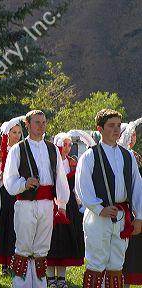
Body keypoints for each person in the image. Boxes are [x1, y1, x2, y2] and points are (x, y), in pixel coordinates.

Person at [75, 109, 142, 288]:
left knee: (116, 265)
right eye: (111, 126)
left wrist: (139, 216)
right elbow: (82, 187)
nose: (116, 129)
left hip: (122, 216)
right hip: (98, 217)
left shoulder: (128, 156)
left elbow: (137, 187)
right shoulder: (90, 155)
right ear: (100, 128)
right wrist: (100, 209)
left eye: (118, 125)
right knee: (97, 264)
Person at [3, 110, 70, 288]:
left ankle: (40, 285)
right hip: (25, 203)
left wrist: (61, 204)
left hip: (47, 204)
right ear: (27, 124)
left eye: (43, 122)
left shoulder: (52, 148)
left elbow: (60, 177)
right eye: (37, 122)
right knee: (24, 248)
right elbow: (9, 180)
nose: (41, 126)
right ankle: (21, 284)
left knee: (41, 249)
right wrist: (24, 184)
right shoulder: (18, 149)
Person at [47, 132, 85, 288]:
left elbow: (76, 186)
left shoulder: (72, 163)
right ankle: (50, 277)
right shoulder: (51, 163)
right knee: (51, 240)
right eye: (65, 144)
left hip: (69, 207)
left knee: (66, 240)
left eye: (70, 145)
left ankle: (61, 277)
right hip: (51, 205)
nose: (67, 148)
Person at [0, 116, 22, 275]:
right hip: (3, 194)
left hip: (17, 193)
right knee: (4, 227)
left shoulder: (23, 150)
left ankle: (16, 262)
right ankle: (4, 265)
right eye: (14, 132)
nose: (17, 135)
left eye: (19, 132)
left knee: (16, 229)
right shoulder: (1, 152)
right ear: (7, 134)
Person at [119, 123, 142, 287]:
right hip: (122, 207)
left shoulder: (137, 156)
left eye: (134, 134)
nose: (132, 137)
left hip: (137, 206)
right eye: (130, 134)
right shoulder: (119, 155)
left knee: (135, 249)